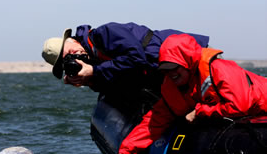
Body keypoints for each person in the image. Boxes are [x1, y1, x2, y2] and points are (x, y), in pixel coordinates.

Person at [95, 33, 267, 154]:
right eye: (165, 68)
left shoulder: (220, 69)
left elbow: (240, 105)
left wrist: (199, 111)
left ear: (188, 61)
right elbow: (152, 123)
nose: (171, 73)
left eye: (174, 67)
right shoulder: (172, 87)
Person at [42, 22, 209, 98]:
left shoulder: (105, 33)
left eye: (70, 51)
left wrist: (94, 71)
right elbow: (121, 85)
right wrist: (89, 81)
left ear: (72, 40)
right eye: (69, 59)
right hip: (171, 78)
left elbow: (136, 58)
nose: (75, 55)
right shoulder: (94, 62)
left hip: (189, 57)